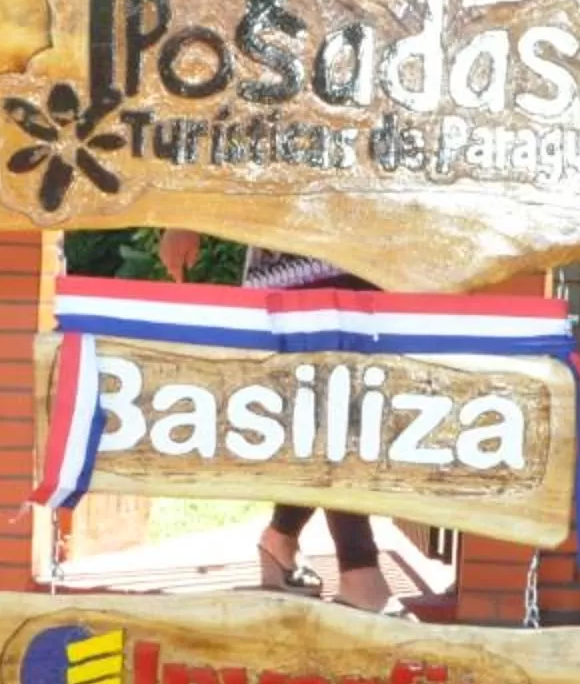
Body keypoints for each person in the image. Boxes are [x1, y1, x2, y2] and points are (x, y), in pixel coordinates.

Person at [156, 228, 405, 615]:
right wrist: (182, 222)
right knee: (331, 403)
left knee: (341, 406)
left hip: (366, 246)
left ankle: (281, 543)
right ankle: (360, 573)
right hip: (298, 257)